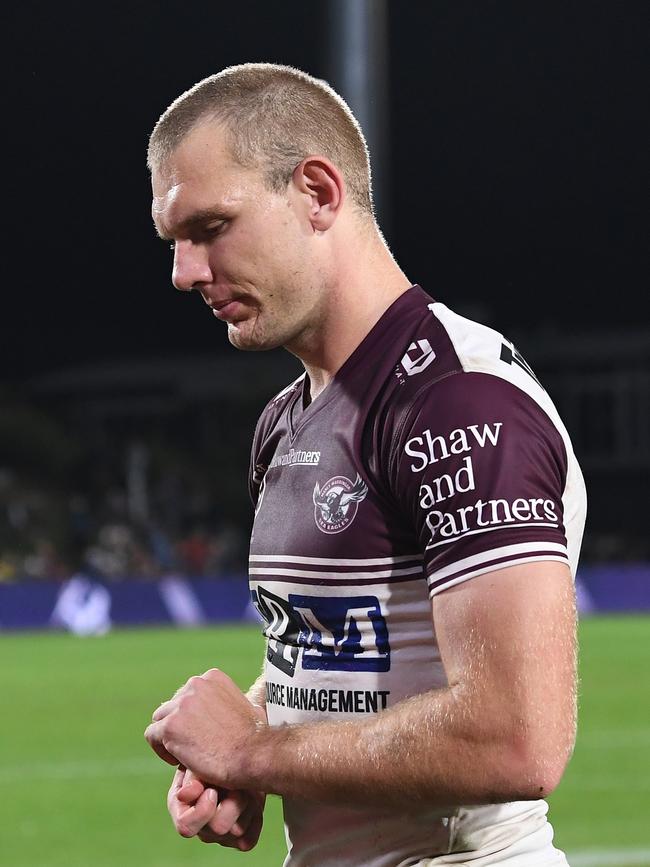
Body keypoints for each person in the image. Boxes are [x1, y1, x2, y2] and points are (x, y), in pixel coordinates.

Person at [144, 63, 587, 866]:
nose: (186, 273)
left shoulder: (458, 401)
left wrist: (252, 752)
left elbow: (518, 741)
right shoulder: (285, 420)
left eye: (210, 228)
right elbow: (342, 660)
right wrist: (246, 739)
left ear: (317, 191)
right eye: (174, 241)